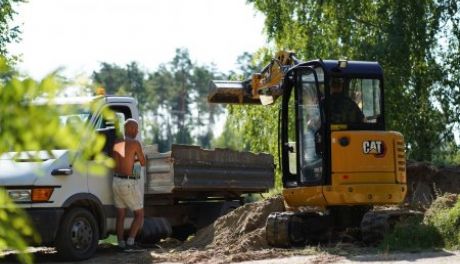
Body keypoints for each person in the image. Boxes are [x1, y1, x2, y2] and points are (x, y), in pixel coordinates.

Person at [112, 118, 146, 252]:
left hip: (116, 181)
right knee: (139, 214)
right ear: (130, 129)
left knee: (120, 215)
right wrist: (136, 158)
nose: (137, 131)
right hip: (128, 182)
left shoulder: (118, 142)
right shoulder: (135, 143)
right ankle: (131, 243)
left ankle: (120, 244)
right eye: (136, 128)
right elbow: (143, 163)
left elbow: (114, 163)